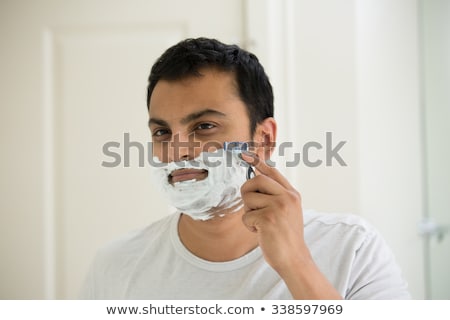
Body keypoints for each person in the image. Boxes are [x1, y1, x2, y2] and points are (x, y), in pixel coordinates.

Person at [80, 37, 411, 299]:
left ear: (263, 139)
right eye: (162, 132)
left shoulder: (352, 248)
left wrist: (296, 263)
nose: (177, 152)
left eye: (205, 126)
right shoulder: (114, 265)